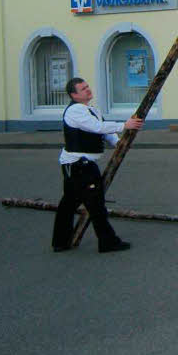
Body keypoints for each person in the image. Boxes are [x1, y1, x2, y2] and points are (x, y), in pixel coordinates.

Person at [51, 77, 143, 253]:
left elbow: (104, 133)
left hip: (79, 165)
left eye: (87, 86)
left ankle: (60, 241)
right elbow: (96, 127)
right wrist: (125, 125)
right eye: (83, 89)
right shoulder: (75, 111)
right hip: (79, 165)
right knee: (95, 204)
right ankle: (107, 242)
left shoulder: (91, 109)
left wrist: (117, 143)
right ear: (74, 95)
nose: (88, 90)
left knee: (69, 204)